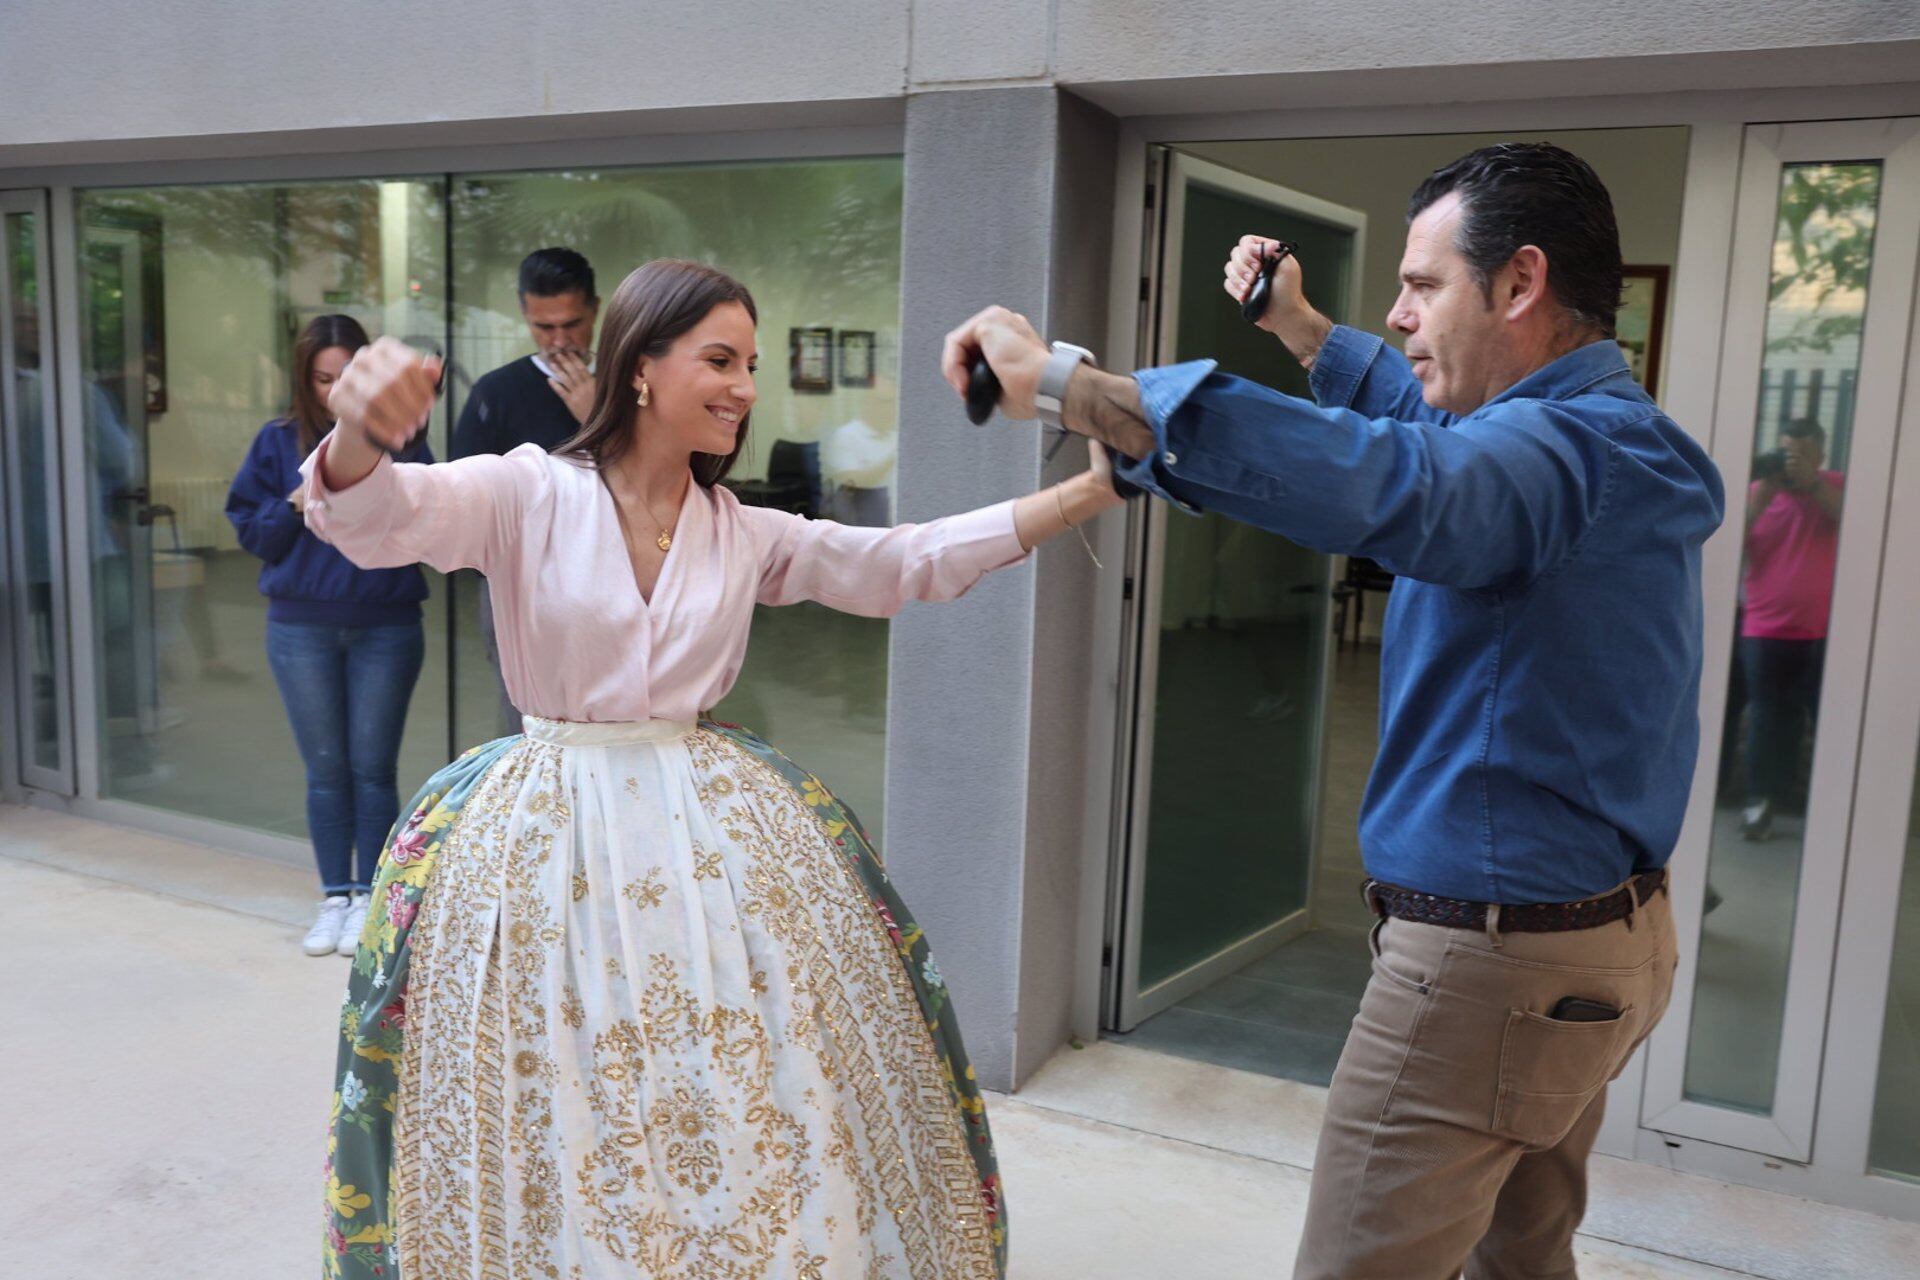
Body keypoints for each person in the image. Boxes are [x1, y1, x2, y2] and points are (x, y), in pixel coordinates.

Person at [944, 143, 1725, 1280]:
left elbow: (1402, 479)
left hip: (1490, 975)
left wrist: (1078, 389)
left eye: (1423, 284)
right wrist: (1300, 325)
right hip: (1600, 951)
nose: (1400, 314)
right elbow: (1429, 426)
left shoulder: (1555, 455)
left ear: (1520, 285)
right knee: (1521, 1258)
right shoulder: (1612, 434)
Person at [308, 259, 1125, 1279]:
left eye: (754, 362)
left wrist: (1088, 491)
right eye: (721, 358)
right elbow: (377, 516)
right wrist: (359, 434)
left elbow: (904, 559)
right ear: (640, 368)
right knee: (562, 1085)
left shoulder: (740, 529)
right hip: (545, 843)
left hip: (710, 840)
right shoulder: (528, 489)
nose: (746, 385)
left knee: (739, 1077)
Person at [225, 314, 432, 957]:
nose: (335, 390)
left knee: (373, 769)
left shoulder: (401, 434)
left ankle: (372, 899)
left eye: (347, 375)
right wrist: (299, 498)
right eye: (322, 378)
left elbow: (423, 520)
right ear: (305, 378)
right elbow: (255, 534)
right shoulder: (276, 440)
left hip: (386, 624)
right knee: (325, 770)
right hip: (301, 626)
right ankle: (334, 896)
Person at [453, 247, 602, 732]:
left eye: (572, 324)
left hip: (613, 585)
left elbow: (659, 484)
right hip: (518, 589)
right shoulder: (495, 394)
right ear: (524, 314)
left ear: (596, 309)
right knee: (525, 729)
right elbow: (465, 501)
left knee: (609, 724)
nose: (559, 341)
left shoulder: (630, 386)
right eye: (544, 327)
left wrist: (599, 417)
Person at [1737, 416, 1843, 841]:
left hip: (1824, 629)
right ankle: (1760, 802)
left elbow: (1854, 522)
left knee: (1827, 717)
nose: (1791, 460)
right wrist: (1762, 498)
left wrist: (1813, 485)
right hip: (1763, 627)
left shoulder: (1835, 486)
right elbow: (1729, 543)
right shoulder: (1760, 492)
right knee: (1767, 716)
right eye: (1785, 451)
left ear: (1820, 454)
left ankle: (1831, 808)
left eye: (1801, 453)